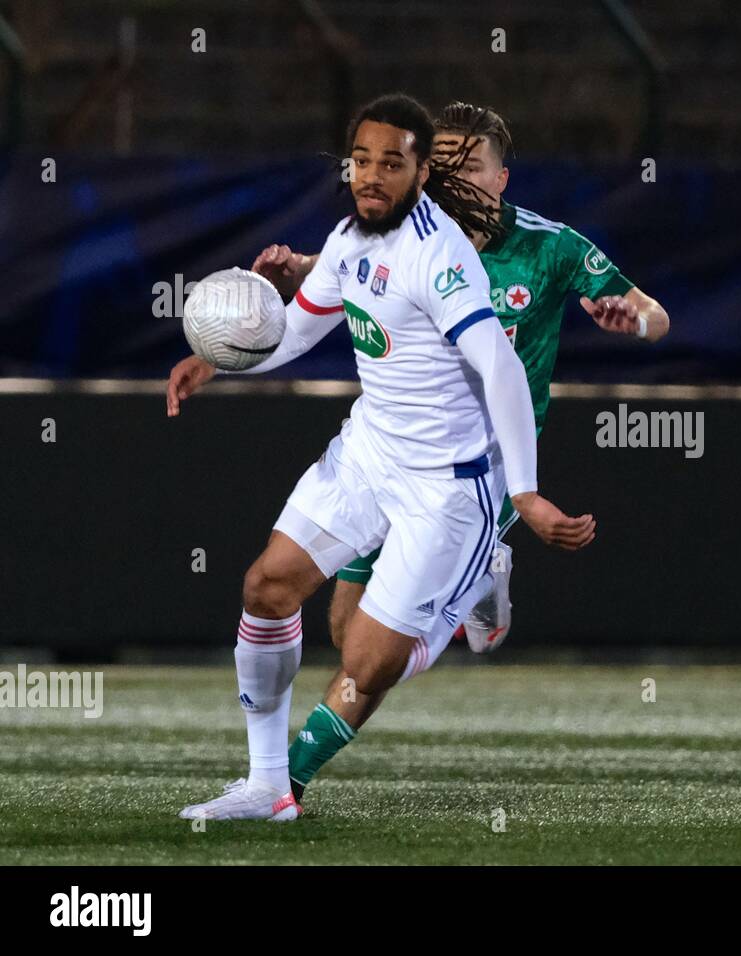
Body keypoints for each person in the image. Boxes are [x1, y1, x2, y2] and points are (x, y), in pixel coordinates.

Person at [167, 93, 592, 820]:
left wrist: (523, 493)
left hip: (449, 487)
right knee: (268, 588)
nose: (370, 175)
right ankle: (264, 782)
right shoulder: (349, 238)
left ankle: (286, 790)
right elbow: (303, 326)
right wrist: (225, 362)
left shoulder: (439, 256)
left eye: (390, 163)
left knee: (367, 663)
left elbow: (500, 368)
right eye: (361, 160)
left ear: (421, 173)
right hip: (368, 454)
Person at [250, 102, 669, 803]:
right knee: (343, 626)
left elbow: (654, 312)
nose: (451, 180)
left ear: (502, 178)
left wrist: (636, 317)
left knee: (371, 656)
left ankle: (286, 781)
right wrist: (302, 267)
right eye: (439, 166)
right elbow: (356, 265)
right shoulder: (408, 232)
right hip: (393, 451)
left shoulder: (550, 246)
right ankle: (476, 586)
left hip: (485, 468)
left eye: (467, 167)